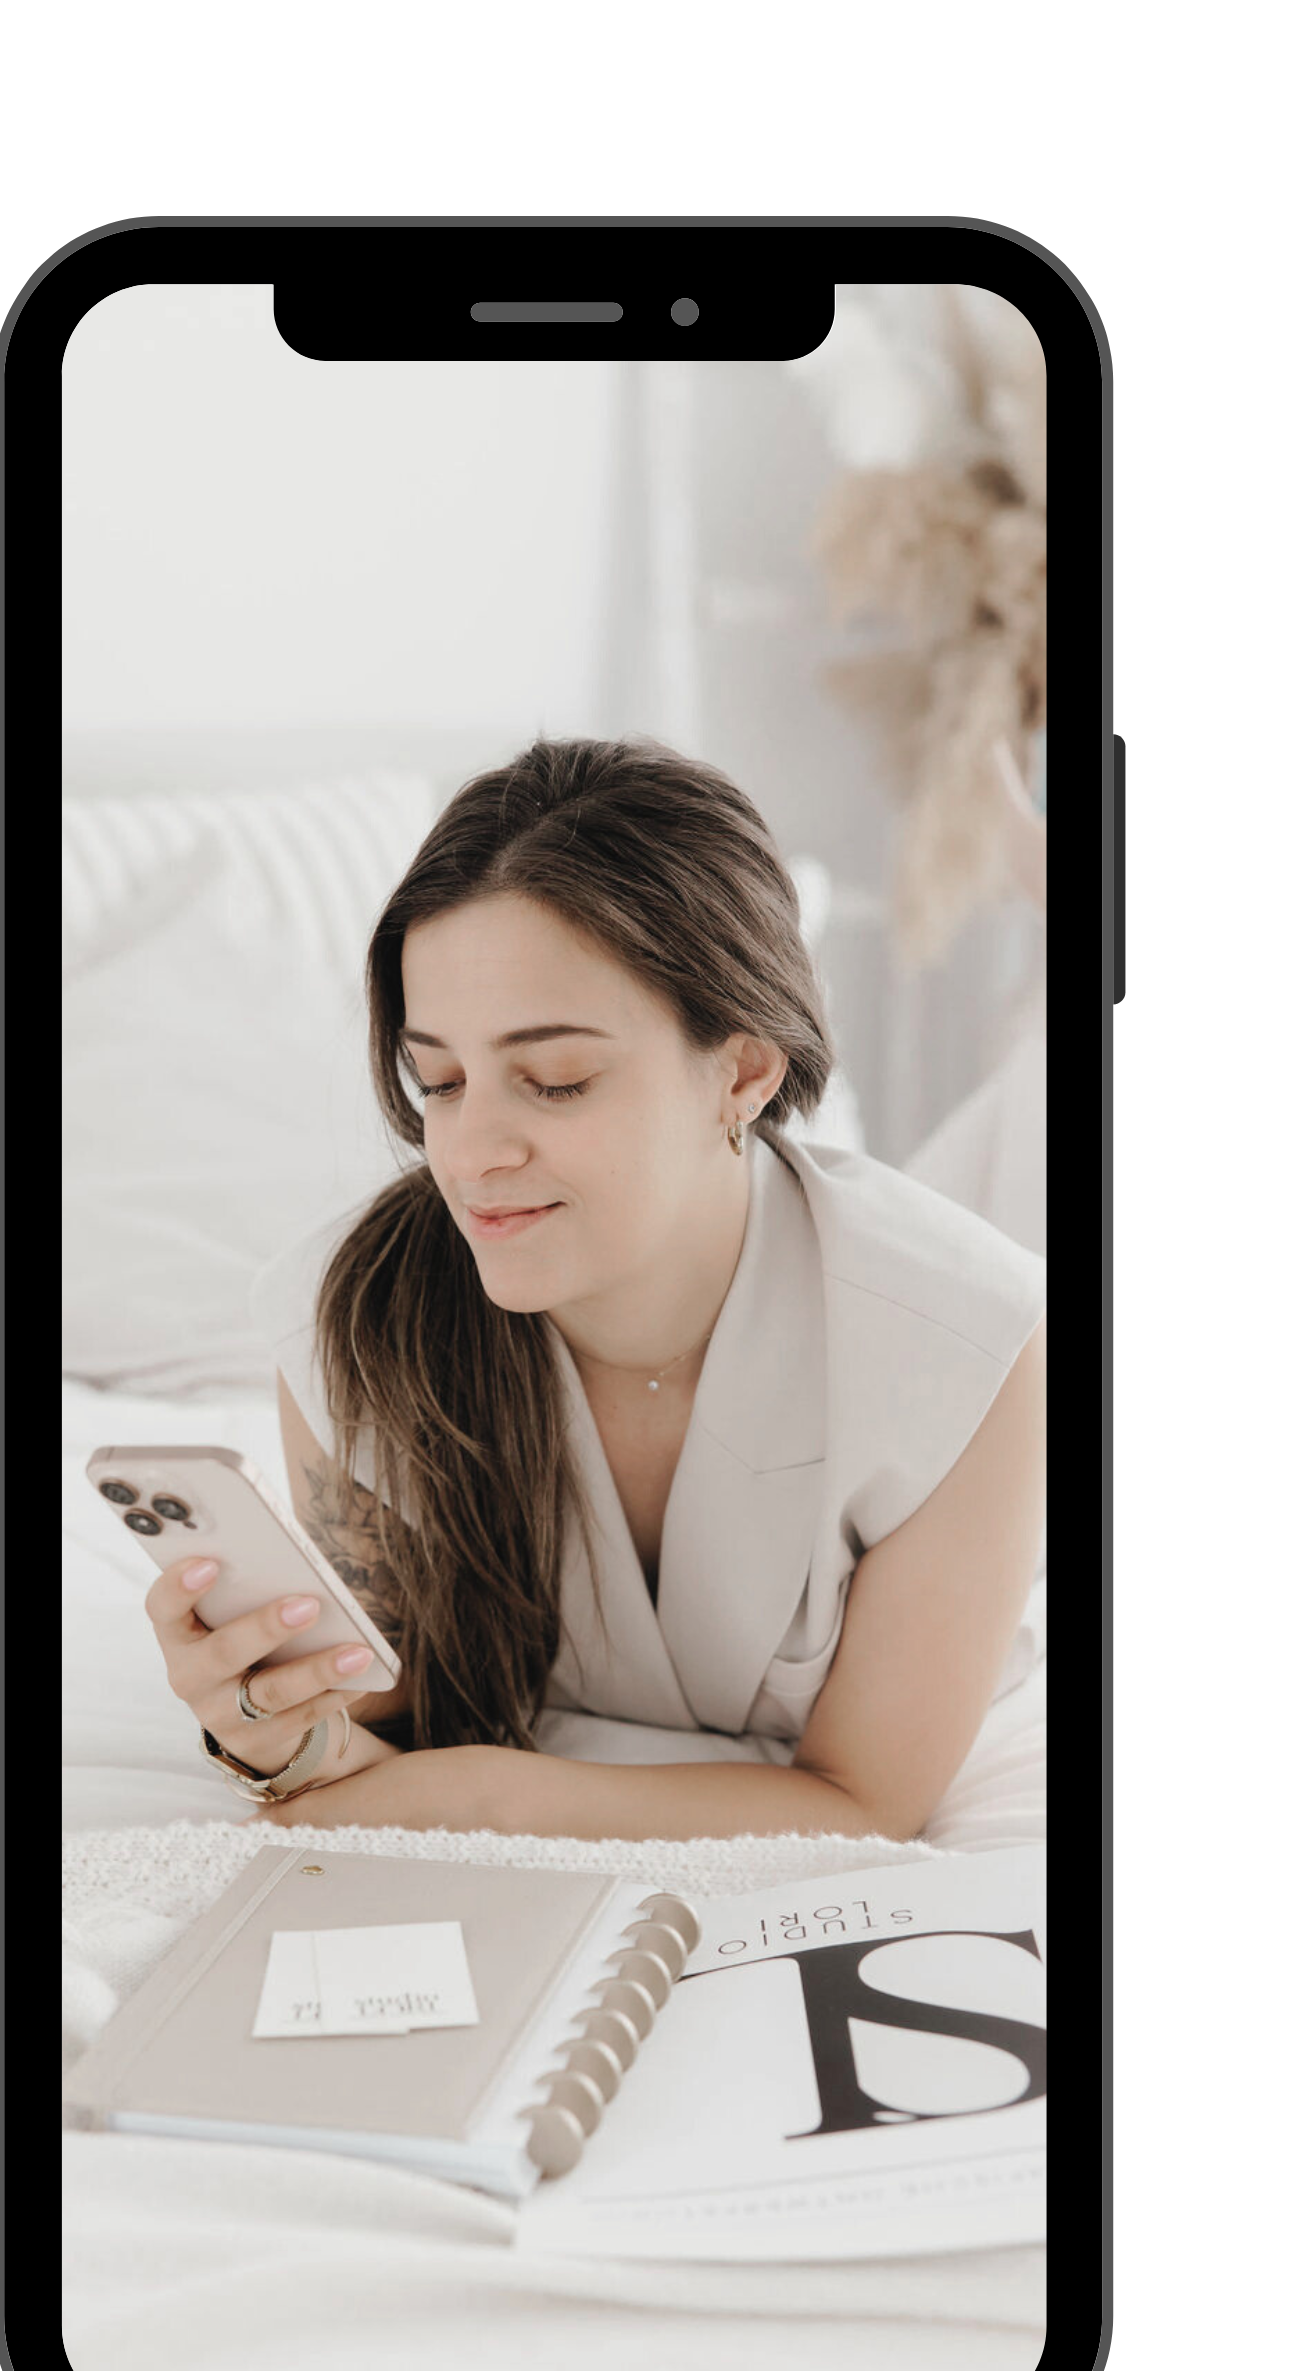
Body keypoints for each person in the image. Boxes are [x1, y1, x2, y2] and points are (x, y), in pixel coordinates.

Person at [140, 737, 1047, 1842]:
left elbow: (864, 1798)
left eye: (555, 1081)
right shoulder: (354, 1322)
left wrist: (482, 1794)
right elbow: (385, 1724)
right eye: (440, 1081)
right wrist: (274, 1734)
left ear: (746, 1071)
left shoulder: (972, 1352)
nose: (470, 1154)